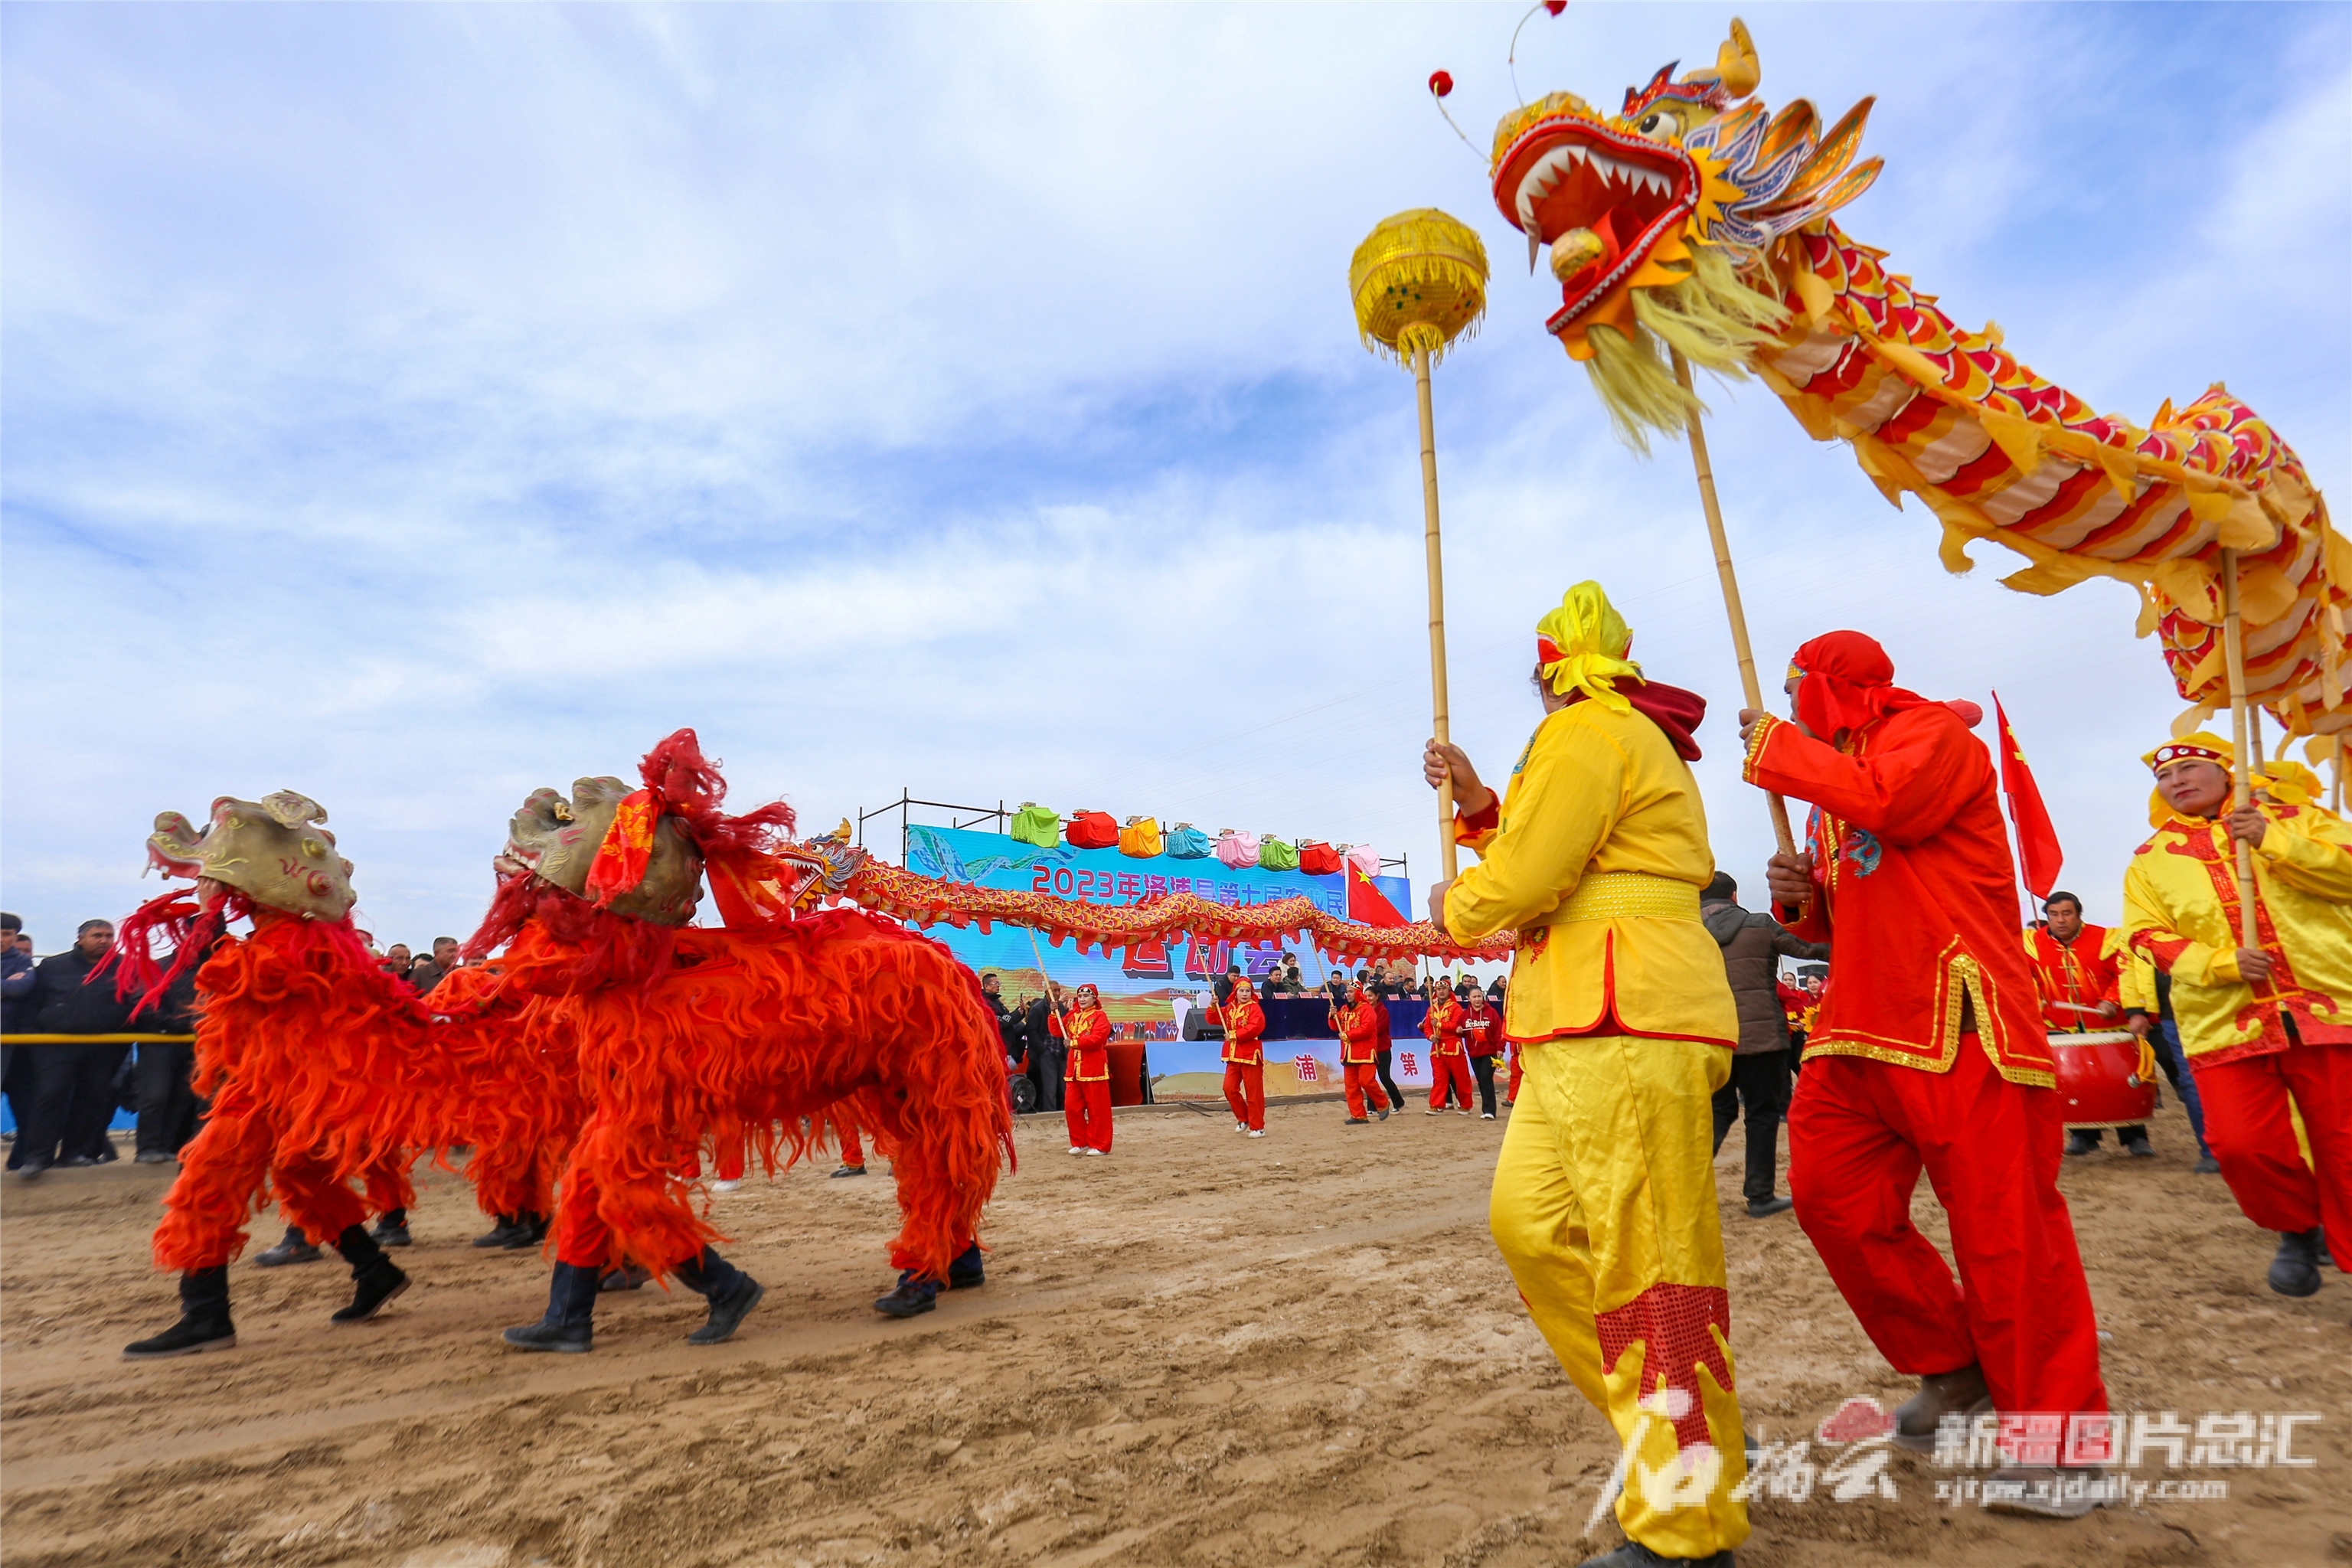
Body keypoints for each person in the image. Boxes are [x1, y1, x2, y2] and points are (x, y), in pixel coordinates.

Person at [1740, 629, 2107, 1517]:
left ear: (1831, 684)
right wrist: (1798, 891)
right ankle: (1954, 1362)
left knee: (2008, 1236)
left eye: (1795, 690)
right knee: (1831, 1200)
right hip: (1857, 1024)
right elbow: (1844, 909)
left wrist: (1780, 751)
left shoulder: (1932, 735)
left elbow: (1892, 808)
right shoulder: (1833, 776)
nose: (1787, 708)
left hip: (1960, 1016)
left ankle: (2062, 1447)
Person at [1425, 581, 1747, 1566]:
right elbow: (1550, 846)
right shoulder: (1598, 736)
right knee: (1528, 1225)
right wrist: (1478, 802)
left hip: (1627, 1011)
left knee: (1652, 1262)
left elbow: (1529, 877)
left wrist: (1455, 904)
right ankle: (1685, 1437)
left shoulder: (1585, 732)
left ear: (1551, 668)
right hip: (1579, 1017)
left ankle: (1690, 1516)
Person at [2117, 733, 2350, 1302]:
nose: (2176, 781)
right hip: (2222, 1020)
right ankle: (2296, 1227)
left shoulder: (2300, 819)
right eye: (2164, 776)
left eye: (2189, 767)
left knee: (2345, 1143)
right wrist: (2221, 963)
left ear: (2228, 771)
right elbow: (2145, 935)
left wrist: (2274, 840)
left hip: (2327, 1005)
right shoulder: (2150, 859)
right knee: (2242, 1146)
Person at [1700, 873, 1826, 1217]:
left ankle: (1683, 1190)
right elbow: (1807, 949)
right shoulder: (1758, 925)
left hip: (1714, 1038)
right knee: (1762, 1115)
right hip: (1763, 1038)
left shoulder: (1688, 933)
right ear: (1734, 895)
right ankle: (1759, 1196)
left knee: (1718, 1111)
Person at [15, 920, 137, 1179]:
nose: (103, 940)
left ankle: (73, 1154)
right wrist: (32, 1036)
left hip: (106, 1047)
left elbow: (136, 1002)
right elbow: (32, 1004)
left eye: (108, 935)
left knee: (92, 1099)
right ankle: (37, 1158)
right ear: (81, 939)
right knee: (50, 1096)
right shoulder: (53, 966)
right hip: (56, 1045)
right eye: (97, 935)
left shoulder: (127, 966)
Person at [2027, 892, 2145, 1158]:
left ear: (2079, 915)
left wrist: (2111, 1000)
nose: (2061, 920)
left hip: (2108, 1026)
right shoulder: (2031, 944)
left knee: (2119, 1081)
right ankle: (2083, 1136)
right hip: (2060, 1027)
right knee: (2073, 1082)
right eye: (2054, 915)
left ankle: (2135, 1137)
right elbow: (2025, 978)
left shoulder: (2108, 938)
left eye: (2067, 914)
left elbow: (2125, 973)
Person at [1050, 982, 1113, 1155]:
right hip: (1074, 1070)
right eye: (1080, 996)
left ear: (1094, 998)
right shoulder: (1072, 1015)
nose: (1082, 999)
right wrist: (1054, 1013)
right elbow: (1057, 1030)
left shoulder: (1100, 1016)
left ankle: (1100, 1145)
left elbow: (1097, 1039)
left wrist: (1074, 1043)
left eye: (1086, 996)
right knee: (1071, 1108)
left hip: (1093, 1069)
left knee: (1097, 1110)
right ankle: (1080, 1141)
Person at [1207, 977, 1266, 1135]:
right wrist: (1213, 1005)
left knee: (1254, 1093)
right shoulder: (1230, 1008)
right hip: (1233, 1055)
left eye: (1248, 991)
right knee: (1229, 1088)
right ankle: (1244, 1118)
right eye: (1241, 991)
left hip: (1250, 1055)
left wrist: (1235, 1035)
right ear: (1236, 992)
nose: (1245, 994)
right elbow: (1212, 1019)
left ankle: (1258, 1127)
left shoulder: (1254, 1008)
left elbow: (1256, 1027)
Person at [1, 914, 35, 1165]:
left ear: (15, 936)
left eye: (6, 934)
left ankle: (20, 1163)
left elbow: (21, 988)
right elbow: (11, 989)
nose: (1, 939)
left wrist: (10, 988)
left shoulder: (23, 961)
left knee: (27, 1110)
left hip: (17, 1049)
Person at [1331, 982, 1387, 1124]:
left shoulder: (1367, 1009)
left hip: (1365, 1053)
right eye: (1347, 992)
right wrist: (1332, 1016)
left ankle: (1382, 1103)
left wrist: (1348, 1035)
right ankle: (1358, 1115)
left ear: (1358, 993)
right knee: (1351, 1087)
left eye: (1351, 991)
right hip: (1348, 1053)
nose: (1348, 994)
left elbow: (1367, 1029)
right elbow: (1335, 1026)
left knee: (1367, 1081)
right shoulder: (1344, 1009)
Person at [1424, 985, 1473, 1115]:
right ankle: (1436, 1105)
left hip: (1453, 1046)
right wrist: (1431, 1036)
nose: (1441, 992)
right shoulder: (1431, 1008)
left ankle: (1465, 1105)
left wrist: (1439, 1024)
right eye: (1439, 989)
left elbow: (1455, 1025)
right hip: (1437, 1048)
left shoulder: (1456, 1007)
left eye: (1444, 989)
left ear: (1449, 991)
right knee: (1439, 1078)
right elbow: (1427, 1027)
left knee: (1461, 1078)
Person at [1460, 985, 1503, 1119]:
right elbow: (1459, 1029)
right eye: (1474, 997)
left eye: (1479, 996)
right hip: (1474, 1053)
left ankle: (1490, 1110)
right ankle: (1486, 1109)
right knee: (1481, 1080)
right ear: (1468, 998)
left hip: (1490, 1051)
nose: (1477, 999)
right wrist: (1458, 1030)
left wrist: (1500, 1048)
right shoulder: (1465, 1015)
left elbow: (1499, 1031)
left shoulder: (1492, 1013)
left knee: (1486, 1078)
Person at [1026, 988, 1063, 1115]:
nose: (1057, 993)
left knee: (1063, 1086)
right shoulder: (1037, 1009)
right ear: (1047, 992)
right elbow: (1031, 1032)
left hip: (1061, 1052)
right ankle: (1050, 1113)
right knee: (1049, 1087)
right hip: (1046, 1053)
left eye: (1059, 990)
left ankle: (1064, 1110)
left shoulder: (1061, 1007)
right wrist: (1043, 1050)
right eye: (1054, 990)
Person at [1368, 982, 1403, 1112]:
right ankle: (1372, 1107)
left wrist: (1364, 1030)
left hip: (1382, 1050)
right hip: (1369, 1050)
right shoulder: (1365, 1011)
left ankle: (1399, 1103)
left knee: (1384, 1077)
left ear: (1377, 996)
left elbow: (1378, 1029)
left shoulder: (1383, 1011)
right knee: (1369, 1079)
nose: (1368, 999)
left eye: (1370, 996)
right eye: (1366, 996)